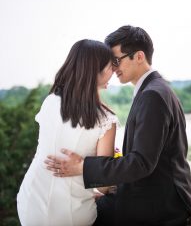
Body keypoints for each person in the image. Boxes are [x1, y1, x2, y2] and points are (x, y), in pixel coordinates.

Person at [45, 26, 191, 226]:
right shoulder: (154, 89)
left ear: (139, 56)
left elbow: (141, 162)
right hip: (154, 195)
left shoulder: (152, 95)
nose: (113, 67)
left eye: (117, 60)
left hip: (162, 207)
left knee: (80, 212)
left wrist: (82, 166)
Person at [17, 39, 119, 226]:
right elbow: (104, 184)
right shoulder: (106, 120)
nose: (113, 71)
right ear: (95, 71)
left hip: (31, 200)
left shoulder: (50, 102)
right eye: (110, 66)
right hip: (72, 211)